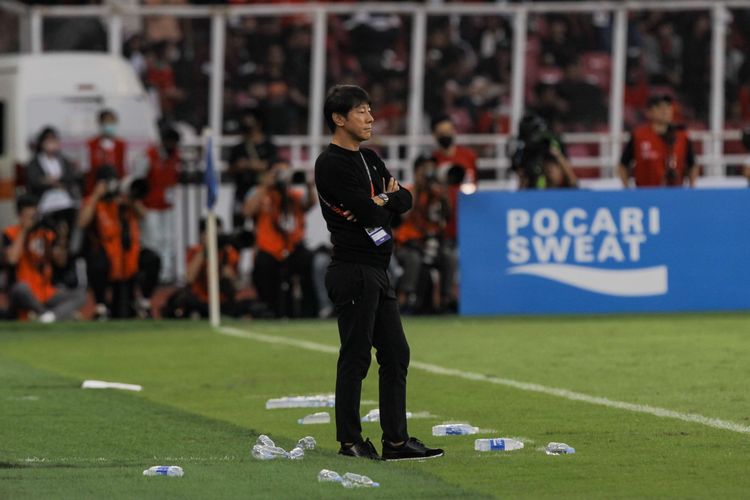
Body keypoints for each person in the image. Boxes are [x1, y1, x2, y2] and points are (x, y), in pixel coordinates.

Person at [315, 84, 443, 461]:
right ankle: (350, 441)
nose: (370, 118)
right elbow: (372, 213)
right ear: (339, 119)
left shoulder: (369, 159)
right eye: (361, 111)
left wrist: (382, 199)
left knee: (395, 352)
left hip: (377, 268)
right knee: (356, 356)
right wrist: (382, 203)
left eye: (370, 110)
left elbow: (405, 199)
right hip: (352, 268)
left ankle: (396, 442)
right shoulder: (331, 163)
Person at [78, 166, 160, 319]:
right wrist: (96, 196)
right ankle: (100, 306)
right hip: (106, 254)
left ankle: (144, 302)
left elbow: (144, 215)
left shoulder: (123, 200)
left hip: (129, 255)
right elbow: (82, 222)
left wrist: (131, 199)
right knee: (97, 263)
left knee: (152, 259)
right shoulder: (94, 201)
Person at [244, 160, 317, 318]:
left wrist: (309, 185)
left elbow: (310, 204)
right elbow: (248, 211)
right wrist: (265, 185)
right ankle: (268, 310)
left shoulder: (293, 195)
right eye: (278, 173)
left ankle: (309, 310)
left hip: (293, 246)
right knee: (264, 266)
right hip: (269, 248)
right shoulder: (260, 193)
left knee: (310, 261)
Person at [3, 194, 86, 322]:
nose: (33, 219)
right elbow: (12, 259)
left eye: (35, 215)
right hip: (22, 291)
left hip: (45, 291)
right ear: (20, 216)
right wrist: (25, 230)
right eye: (29, 216)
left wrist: (62, 238)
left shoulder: (45, 233)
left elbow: (60, 261)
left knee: (81, 295)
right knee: (21, 288)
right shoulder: (10, 233)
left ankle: (48, 317)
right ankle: (48, 314)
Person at [394, 156, 455, 313]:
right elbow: (403, 216)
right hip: (407, 244)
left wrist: (444, 193)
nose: (429, 173)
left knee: (448, 257)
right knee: (413, 259)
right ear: (416, 172)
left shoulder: (436, 193)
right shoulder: (408, 191)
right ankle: (403, 301)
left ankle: (445, 301)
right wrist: (418, 186)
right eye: (425, 170)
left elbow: (448, 216)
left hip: (429, 243)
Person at [162, 218, 239, 319]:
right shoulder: (195, 252)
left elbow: (236, 287)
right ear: (202, 235)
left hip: (221, 300)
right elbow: (189, 278)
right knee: (181, 301)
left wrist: (230, 276)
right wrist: (204, 250)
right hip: (199, 299)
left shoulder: (229, 254)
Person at [618, 94, 699, 188]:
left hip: (675, 193)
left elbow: (692, 164)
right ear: (649, 112)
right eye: (660, 108)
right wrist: (627, 188)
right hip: (646, 194)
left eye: (668, 107)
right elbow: (623, 165)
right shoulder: (639, 136)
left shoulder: (682, 135)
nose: (665, 111)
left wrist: (692, 187)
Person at [141, 126, 181, 283]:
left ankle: (165, 272)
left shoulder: (176, 157)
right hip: (150, 206)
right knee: (153, 239)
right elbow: (139, 179)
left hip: (167, 206)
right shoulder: (149, 156)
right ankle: (152, 272)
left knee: (168, 238)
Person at [228, 109, 278, 229]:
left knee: (261, 225)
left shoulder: (268, 146)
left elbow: (273, 165)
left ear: (259, 124)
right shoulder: (239, 147)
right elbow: (230, 170)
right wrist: (238, 166)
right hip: (242, 190)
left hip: (261, 191)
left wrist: (250, 165)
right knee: (238, 225)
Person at [430, 115, 476, 242]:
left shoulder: (468, 156)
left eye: (448, 131)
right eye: (441, 133)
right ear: (434, 135)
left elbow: (475, 182)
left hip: (467, 216)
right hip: (444, 222)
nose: (446, 135)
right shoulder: (432, 161)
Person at [25, 127, 81, 201]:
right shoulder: (34, 162)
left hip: (64, 197)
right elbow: (34, 180)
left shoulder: (63, 160)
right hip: (42, 198)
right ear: (42, 143)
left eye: (54, 140)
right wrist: (50, 182)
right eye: (48, 141)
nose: (51, 143)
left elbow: (70, 177)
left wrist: (54, 181)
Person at [85, 109, 127, 196]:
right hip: (95, 191)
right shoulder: (90, 145)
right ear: (100, 123)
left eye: (112, 122)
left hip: (116, 190)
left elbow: (124, 169)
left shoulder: (121, 145)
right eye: (107, 121)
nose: (110, 125)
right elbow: (86, 171)